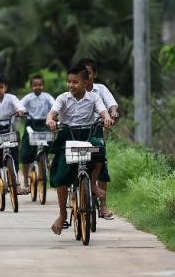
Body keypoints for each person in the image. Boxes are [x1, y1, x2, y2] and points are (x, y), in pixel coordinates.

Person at [45, 64, 113, 236]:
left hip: (89, 133)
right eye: (69, 82)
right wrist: (51, 121)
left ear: (85, 82)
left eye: (75, 82)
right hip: (68, 134)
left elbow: (103, 111)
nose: (70, 85)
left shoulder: (94, 98)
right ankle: (62, 214)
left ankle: (92, 184)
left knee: (99, 149)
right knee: (61, 175)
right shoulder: (62, 98)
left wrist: (106, 119)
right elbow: (52, 113)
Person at [79, 58, 118, 220]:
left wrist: (112, 113)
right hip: (76, 131)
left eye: (88, 73)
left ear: (94, 74)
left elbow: (111, 104)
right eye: (83, 74)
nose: (86, 77)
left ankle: (102, 205)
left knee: (101, 165)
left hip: (95, 130)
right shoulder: (74, 89)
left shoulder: (100, 90)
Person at [19, 75, 56, 189]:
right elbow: (20, 105)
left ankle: (46, 160)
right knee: (25, 152)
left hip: (44, 123)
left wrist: (55, 114)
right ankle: (25, 180)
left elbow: (55, 105)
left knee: (49, 141)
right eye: (35, 85)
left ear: (43, 86)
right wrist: (21, 112)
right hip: (31, 124)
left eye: (40, 85)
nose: (37, 87)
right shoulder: (28, 98)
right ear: (31, 86)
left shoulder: (47, 97)